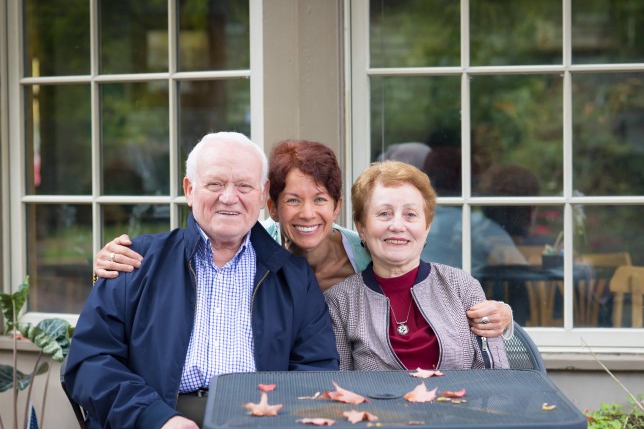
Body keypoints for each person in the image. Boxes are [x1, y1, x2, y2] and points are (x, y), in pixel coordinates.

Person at [64, 132, 339, 429]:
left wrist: (261, 425)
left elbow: (316, 370)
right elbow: (89, 361)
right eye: (215, 184)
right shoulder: (134, 262)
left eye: (244, 186)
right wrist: (155, 418)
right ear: (190, 190)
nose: (230, 197)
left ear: (262, 196)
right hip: (153, 424)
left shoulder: (292, 276)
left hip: (258, 422)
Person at [94, 139, 513, 337]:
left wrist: (501, 319)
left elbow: (434, 295)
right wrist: (106, 270)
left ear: (336, 207)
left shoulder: (371, 250)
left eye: (321, 199)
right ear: (271, 206)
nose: (308, 213)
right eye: (293, 200)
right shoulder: (249, 252)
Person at [323, 160, 537, 429]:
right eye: (384, 213)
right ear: (361, 225)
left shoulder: (462, 287)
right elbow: (337, 391)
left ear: (427, 225)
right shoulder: (340, 302)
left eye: (410, 214)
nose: (397, 225)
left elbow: (498, 377)